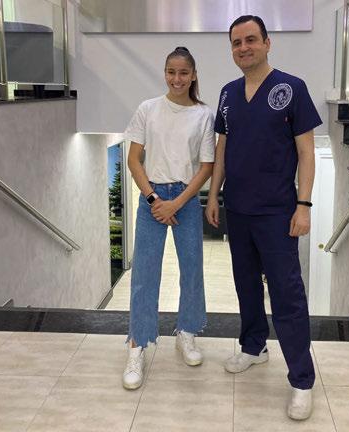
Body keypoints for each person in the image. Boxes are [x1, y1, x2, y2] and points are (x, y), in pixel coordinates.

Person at [205, 16, 322, 420]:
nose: (244, 48)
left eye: (251, 40)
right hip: (237, 210)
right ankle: (254, 346)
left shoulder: (292, 89)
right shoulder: (227, 93)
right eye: (236, 42)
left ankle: (302, 380)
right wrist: (214, 195)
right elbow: (222, 148)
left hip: (277, 212)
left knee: (287, 295)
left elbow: (306, 152)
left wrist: (303, 205)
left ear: (267, 43)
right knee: (246, 285)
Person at [122, 47, 215, 390]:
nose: (177, 79)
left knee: (192, 270)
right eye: (171, 72)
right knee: (144, 275)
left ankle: (186, 333)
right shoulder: (148, 109)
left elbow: (207, 166)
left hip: (185, 200)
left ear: (193, 75)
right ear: (165, 73)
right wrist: (154, 199)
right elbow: (134, 160)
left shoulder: (204, 115)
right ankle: (137, 345)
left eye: (183, 73)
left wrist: (176, 203)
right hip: (152, 199)